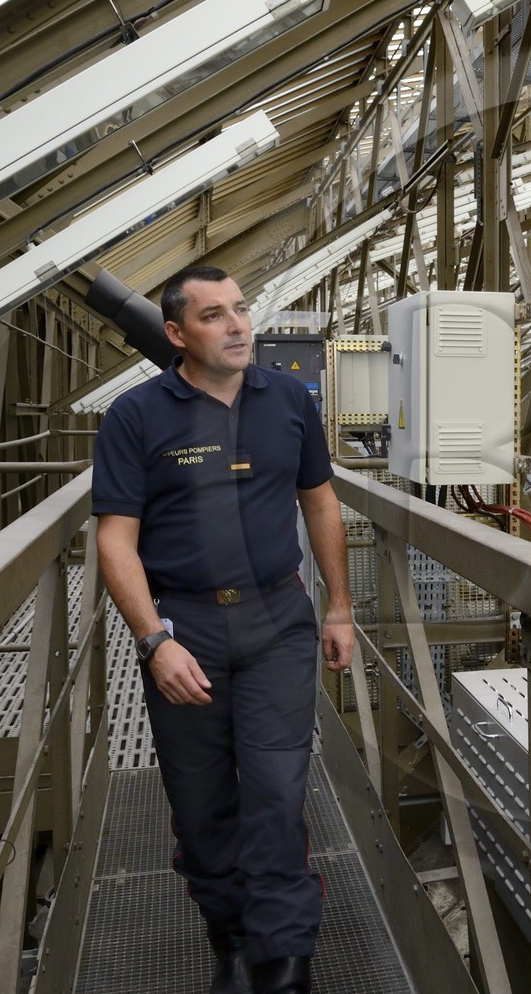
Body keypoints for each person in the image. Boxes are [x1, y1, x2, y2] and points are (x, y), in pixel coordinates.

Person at [92, 265, 355, 994]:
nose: (238, 325)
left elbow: (321, 502)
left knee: (276, 791)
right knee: (202, 804)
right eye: (214, 315)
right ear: (176, 334)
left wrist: (338, 606)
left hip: (277, 621)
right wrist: (154, 641)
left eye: (241, 309)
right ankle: (230, 937)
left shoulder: (288, 401)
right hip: (186, 628)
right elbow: (116, 539)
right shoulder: (137, 416)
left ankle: (286, 961)